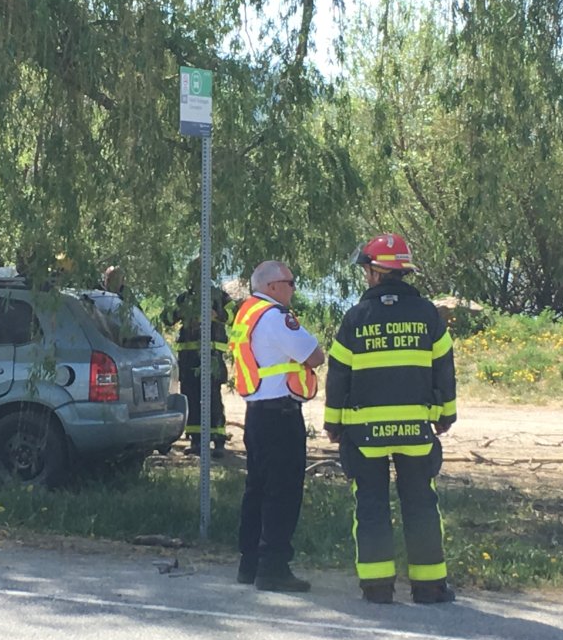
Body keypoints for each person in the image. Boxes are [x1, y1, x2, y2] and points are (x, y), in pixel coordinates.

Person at [322, 233, 458, 605]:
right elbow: (444, 369)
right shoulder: (428, 314)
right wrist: (446, 415)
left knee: (370, 506)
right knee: (421, 505)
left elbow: (338, 375)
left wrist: (333, 424)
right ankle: (430, 587)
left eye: (367, 270)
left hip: (365, 434)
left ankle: (378, 587)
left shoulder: (355, 318)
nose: (366, 276)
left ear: (377, 272)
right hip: (415, 431)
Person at [230, 260, 325, 592]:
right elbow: (314, 356)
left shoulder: (246, 314)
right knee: (282, 492)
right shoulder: (274, 316)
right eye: (291, 282)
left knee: (256, 490)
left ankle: (250, 564)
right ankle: (273, 567)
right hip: (280, 415)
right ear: (271, 287)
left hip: (256, 413)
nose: (293, 288)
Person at [161, 261, 231, 458]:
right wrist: (178, 312)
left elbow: (236, 315)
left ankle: (218, 442)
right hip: (189, 357)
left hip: (212, 357)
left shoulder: (218, 296)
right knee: (191, 397)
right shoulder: (184, 298)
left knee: (213, 398)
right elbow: (167, 318)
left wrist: (219, 315)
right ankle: (197, 440)